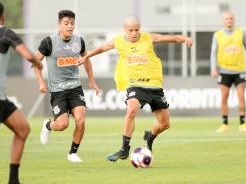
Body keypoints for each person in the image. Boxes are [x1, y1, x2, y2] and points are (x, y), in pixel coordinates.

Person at [77, 14, 193, 162]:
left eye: (136, 30)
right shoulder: (118, 41)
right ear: (125, 29)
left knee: (164, 124)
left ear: (140, 29)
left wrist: (186, 39)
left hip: (154, 85)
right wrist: (86, 57)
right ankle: (124, 149)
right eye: (130, 30)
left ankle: (149, 136)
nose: (133, 33)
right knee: (132, 109)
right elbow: (102, 48)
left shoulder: (149, 38)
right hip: (135, 84)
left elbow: (174, 38)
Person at [0, 1, 43, 184]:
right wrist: (38, 62)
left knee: (23, 129)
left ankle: (13, 180)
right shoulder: (3, 32)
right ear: (3, 17)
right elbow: (27, 54)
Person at [34, 10, 100, 163]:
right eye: (66, 23)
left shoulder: (79, 41)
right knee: (63, 124)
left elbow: (87, 59)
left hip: (75, 87)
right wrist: (41, 82)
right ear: (59, 24)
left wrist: (91, 80)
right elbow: (35, 63)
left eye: (72, 23)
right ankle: (49, 125)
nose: (70, 26)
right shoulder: (49, 42)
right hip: (57, 90)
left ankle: (72, 153)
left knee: (81, 121)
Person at [210, 12, 246, 133]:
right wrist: (213, 68)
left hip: (239, 70)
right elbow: (213, 52)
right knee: (224, 97)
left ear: (234, 20)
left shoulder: (241, 33)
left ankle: (242, 124)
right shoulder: (218, 35)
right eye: (226, 18)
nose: (229, 20)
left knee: (241, 96)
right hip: (224, 71)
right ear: (223, 21)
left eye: (231, 18)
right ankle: (225, 124)